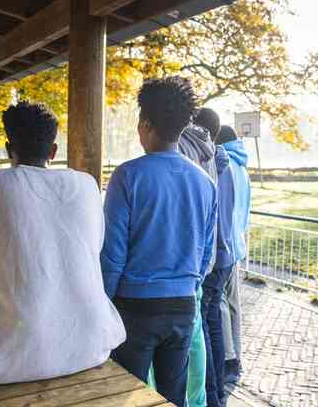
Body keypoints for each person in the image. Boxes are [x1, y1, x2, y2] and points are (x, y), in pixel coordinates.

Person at [0, 101, 125, 383]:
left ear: (9, 148)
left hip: (16, 360)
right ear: (53, 151)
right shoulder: (87, 185)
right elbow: (92, 249)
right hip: (91, 346)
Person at [102, 76, 216, 407]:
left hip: (135, 307)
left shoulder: (128, 175)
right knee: (173, 397)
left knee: (128, 396)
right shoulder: (205, 183)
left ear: (146, 124)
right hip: (183, 306)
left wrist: (103, 304)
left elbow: (113, 255)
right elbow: (206, 258)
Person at [185, 107, 231, 407]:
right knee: (209, 329)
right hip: (218, 256)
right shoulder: (218, 158)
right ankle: (216, 396)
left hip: (199, 266)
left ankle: (213, 396)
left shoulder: (189, 155)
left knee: (203, 332)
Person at [215, 125, 252, 385]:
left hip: (225, 247)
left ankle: (228, 359)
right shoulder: (244, 170)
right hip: (238, 244)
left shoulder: (223, 165)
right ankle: (237, 354)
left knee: (219, 304)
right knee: (233, 305)